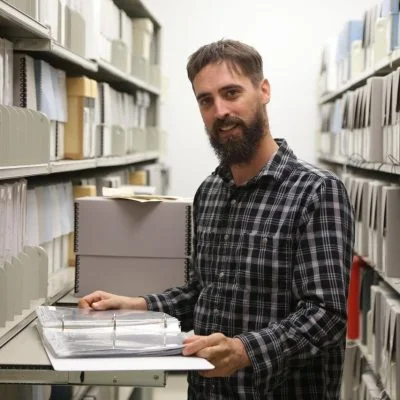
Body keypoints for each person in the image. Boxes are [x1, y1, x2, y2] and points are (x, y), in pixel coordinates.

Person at [79, 39, 355, 399]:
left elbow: (327, 316)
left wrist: (244, 351)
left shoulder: (317, 192)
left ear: (264, 90)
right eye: (206, 100)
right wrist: (138, 306)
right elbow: (205, 293)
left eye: (231, 93)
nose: (220, 110)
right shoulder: (210, 191)